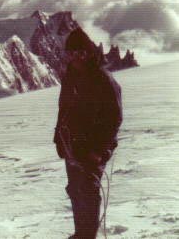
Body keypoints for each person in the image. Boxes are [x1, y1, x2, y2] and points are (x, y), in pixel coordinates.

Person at [53, 27, 123, 239]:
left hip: (92, 146)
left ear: (89, 53)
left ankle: (87, 236)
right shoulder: (70, 77)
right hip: (72, 145)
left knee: (88, 190)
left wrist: (98, 150)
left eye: (80, 53)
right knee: (75, 190)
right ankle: (81, 233)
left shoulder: (103, 79)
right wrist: (59, 138)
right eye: (71, 53)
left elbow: (114, 118)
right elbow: (63, 108)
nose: (76, 58)